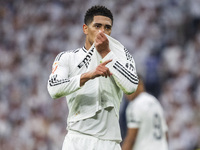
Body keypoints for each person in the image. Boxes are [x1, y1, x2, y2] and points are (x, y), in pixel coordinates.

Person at [47, 5, 138, 150]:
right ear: (85, 29)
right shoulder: (68, 58)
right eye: (97, 26)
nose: (102, 31)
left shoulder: (119, 56)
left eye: (107, 28)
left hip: (109, 142)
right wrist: (88, 76)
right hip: (77, 139)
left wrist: (106, 53)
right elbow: (53, 89)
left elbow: (131, 86)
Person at [122, 76, 168, 150]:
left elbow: (131, 139)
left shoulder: (135, 105)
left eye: (128, 86)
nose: (126, 92)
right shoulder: (155, 102)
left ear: (140, 84)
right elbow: (165, 133)